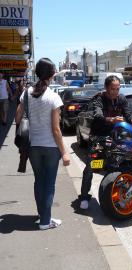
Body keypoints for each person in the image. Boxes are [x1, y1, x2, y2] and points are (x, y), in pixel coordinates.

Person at [15, 58, 70, 230]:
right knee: (49, 184)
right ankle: (46, 222)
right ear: (52, 74)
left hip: (33, 146)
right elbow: (56, 129)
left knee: (39, 181)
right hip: (50, 148)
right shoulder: (53, 97)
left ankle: (42, 215)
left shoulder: (27, 93)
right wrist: (65, 152)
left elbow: (17, 118)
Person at [79, 75, 132, 209]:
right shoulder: (99, 98)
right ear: (106, 88)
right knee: (92, 166)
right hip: (98, 138)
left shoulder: (121, 99)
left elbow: (128, 114)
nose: (115, 92)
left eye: (118, 89)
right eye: (113, 89)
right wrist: (111, 120)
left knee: (115, 165)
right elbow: (98, 116)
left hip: (114, 137)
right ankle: (84, 196)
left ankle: (113, 193)